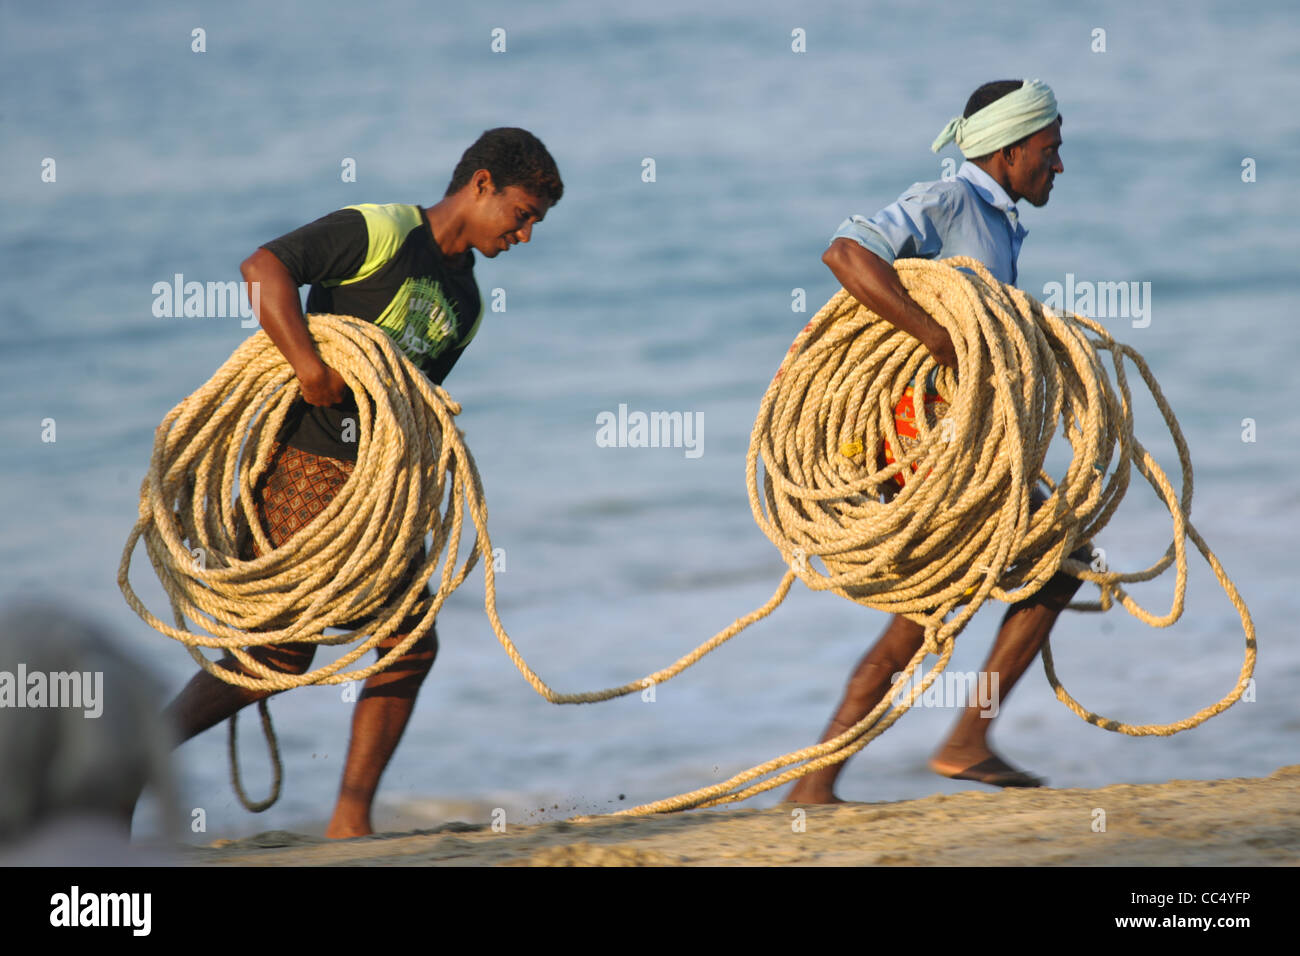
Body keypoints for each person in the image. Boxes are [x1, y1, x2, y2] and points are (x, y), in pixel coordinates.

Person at [159, 127, 563, 838]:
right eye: (522, 214)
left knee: (410, 638)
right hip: (301, 466)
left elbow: (415, 400)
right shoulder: (381, 231)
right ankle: (136, 761)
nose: (526, 235)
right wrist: (310, 367)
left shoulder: (467, 301)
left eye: (536, 224)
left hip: (375, 495)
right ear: (481, 186)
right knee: (280, 651)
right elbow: (263, 267)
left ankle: (350, 819)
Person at [788, 80, 1081, 803]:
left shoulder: (1002, 219)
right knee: (1054, 560)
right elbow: (846, 253)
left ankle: (818, 787)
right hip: (925, 445)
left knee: (933, 611)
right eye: (1049, 151)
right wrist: (942, 341)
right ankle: (962, 742)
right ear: (1008, 151)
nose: (1059, 166)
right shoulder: (950, 200)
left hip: (961, 440)